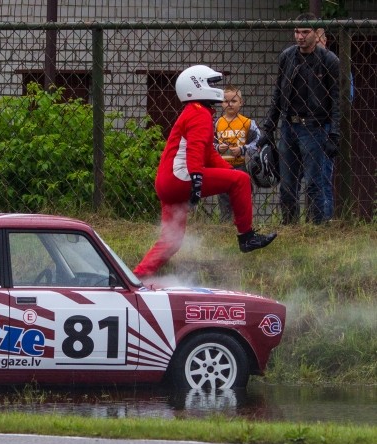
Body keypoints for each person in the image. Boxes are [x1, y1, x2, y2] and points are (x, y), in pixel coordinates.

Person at [133, 65, 277, 279]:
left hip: (167, 181)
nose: (214, 88)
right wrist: (198, 179)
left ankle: (137, 277)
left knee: (171, 242)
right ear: (197, 86)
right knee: (240, 179)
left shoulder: (194, 112)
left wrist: (228, 172)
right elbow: (195, 148)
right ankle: (246, 237)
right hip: (180, 177)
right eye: (210, 83)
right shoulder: (199, 113)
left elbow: (208, 153)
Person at [259, 12, 340, 225]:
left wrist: (334, 133)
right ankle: (290, 226)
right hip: (288, 125)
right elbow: (278, 93)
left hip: (314, 126)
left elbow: (336, 100)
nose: (300, 36)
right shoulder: (288, 56)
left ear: (316, 33)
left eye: (305, 32)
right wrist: (268, 127)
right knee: (287, 183)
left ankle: (316, 227)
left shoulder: (329, 60)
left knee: (314, 183)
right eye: (297, 31)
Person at [215, 84, 261, 221]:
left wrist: (243, 149)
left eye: (233, 101)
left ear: (241, 103)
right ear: (221, 103)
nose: (229, 104)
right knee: (223, 196)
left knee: (242, 195)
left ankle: (242, 221)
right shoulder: (217, 123)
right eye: (225, 101)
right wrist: (218, 147)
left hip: (241, 165)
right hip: (222, 166)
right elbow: (208, 143)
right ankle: (225, 223)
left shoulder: (247, 123)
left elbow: (258, 141)